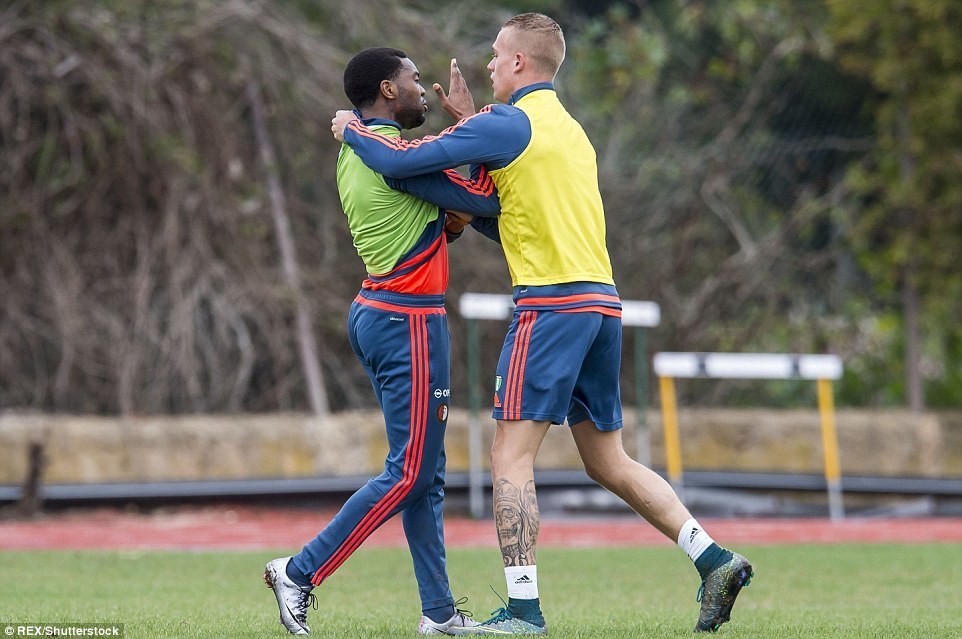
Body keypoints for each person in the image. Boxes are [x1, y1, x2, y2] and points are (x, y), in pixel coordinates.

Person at [331, 14, 753, 636]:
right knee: (609, 461)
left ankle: (524, 610)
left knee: (509, 456)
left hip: (551, 306)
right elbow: (494, 210)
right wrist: (468, 123)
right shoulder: (569, 130)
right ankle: (713, 558)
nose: (491, 66)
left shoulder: (508, 121)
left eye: (498, 56)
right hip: (602, 302)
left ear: (522, 64)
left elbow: (406, 164)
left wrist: (351, 131)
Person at [264, 47, 499, 636]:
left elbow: (444, 220)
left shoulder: (360, 151)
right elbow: (481, 198)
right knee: (410, 470)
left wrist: (458, 204)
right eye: (415, 80)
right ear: (388, 92)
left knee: (423, 473)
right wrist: (470, 124)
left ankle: (439, 613)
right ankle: (299, 571)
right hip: (407, 320)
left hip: (384, 312)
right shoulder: (395, 154)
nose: (424, 90)